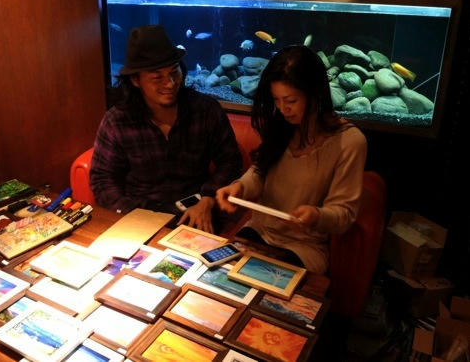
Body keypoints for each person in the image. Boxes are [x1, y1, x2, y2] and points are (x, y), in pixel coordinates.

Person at [216, 45, 367, 274]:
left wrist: (316, 215)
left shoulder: (349, 142)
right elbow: (260, 171)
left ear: (315, 94)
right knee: (219, 278)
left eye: (291, 101)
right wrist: (239, 187)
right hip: (259, 231)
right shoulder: (281, 124)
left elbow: (344, 214)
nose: (282, 109)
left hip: (304, 247)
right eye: (276, 100)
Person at [90, 25, 242, 233]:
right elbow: (102, 179)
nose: (170, 84)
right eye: (157, 77)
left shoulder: (205, 110)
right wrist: (131, 214)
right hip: (139, 217)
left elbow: (231, 161)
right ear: (135, 80)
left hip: (195, 214)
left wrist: (208, 198)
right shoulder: (117, 121)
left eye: (173, 72)